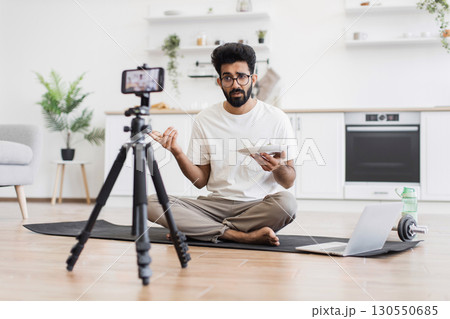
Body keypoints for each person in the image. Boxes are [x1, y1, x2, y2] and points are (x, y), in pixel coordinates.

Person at [147, 43, 297, 246]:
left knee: (287, 204)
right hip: (214, 206)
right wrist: (177, 152)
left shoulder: (277, 118)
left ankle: (202, 230)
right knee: (149, 203)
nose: (235, 84)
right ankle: (240, 235)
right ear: (220, 82)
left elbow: (288, 181)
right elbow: (200, 181)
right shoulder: (204, 119)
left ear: (253, 79)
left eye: (241, 76)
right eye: (228, 78)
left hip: (257, 207)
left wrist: (278, 168)